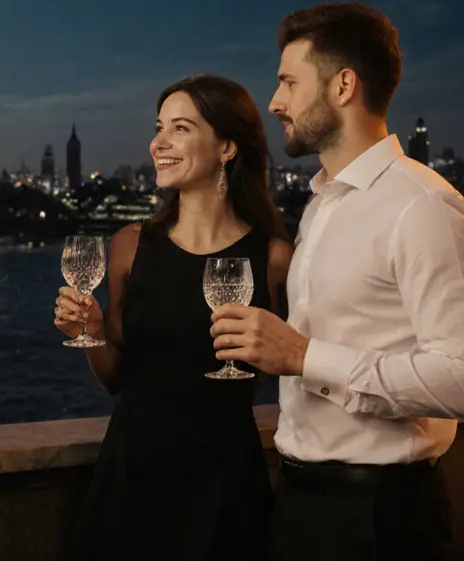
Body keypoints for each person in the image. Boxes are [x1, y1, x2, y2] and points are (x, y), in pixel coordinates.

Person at [208, 2, 464, 560]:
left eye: (289, 82)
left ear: (343, 86)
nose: (275, 102)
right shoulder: (322, 204)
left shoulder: (425, 207)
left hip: (379, 519)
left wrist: (303, 356)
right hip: (301, 504)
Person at [54, 73, 294, 561]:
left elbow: (292, 369)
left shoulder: (273, 259)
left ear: (227, 147)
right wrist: (93, 331)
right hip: (131, 478)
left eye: (179, 129)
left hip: (224, 484)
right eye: (159, 127)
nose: (158, 143)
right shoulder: (130, 246)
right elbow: (117, 379)